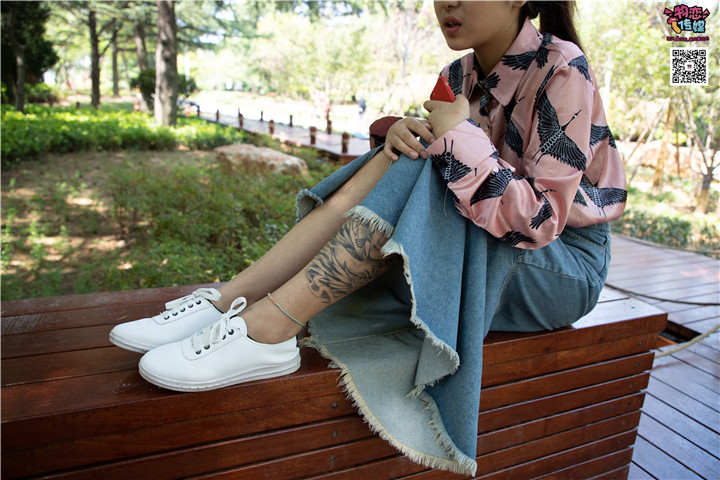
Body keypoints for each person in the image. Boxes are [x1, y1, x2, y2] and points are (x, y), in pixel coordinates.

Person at [109, 1, 626, 475]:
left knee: (436, 157)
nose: (446, 3)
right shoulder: (459, 75)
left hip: (562, 267)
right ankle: (230, 300)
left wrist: (456, 137)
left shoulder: (562, 67)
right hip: (481, 244)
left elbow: (540, 220)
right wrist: (403, 139)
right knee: (406, 155)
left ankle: (271, 329)